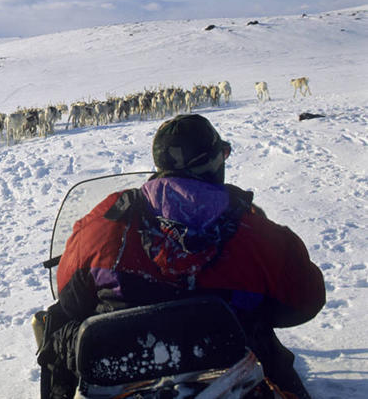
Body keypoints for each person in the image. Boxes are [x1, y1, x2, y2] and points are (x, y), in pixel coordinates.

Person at [37, 114, 326, 399]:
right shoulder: (253, 231)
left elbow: (70, 298)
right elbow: (306, 300)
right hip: (228, 371)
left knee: (59, 325)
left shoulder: (107, 221)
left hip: (123, 372)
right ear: (212, 163)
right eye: (222, 153)